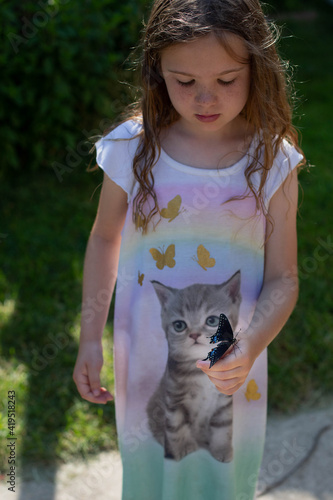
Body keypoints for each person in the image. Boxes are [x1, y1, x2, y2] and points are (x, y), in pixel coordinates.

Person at [73, 1, 305, 499]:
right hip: (147, 361)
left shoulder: (273, 163)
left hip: (232, 370)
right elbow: (104, 238)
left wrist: (251, 346)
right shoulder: (131, 149)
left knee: (223, 479)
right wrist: (90, 336)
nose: (206, 98)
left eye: (226, 80)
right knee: (152, 478)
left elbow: (285, 278)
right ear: (157, 70)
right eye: (184, 81)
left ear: (257, 69)